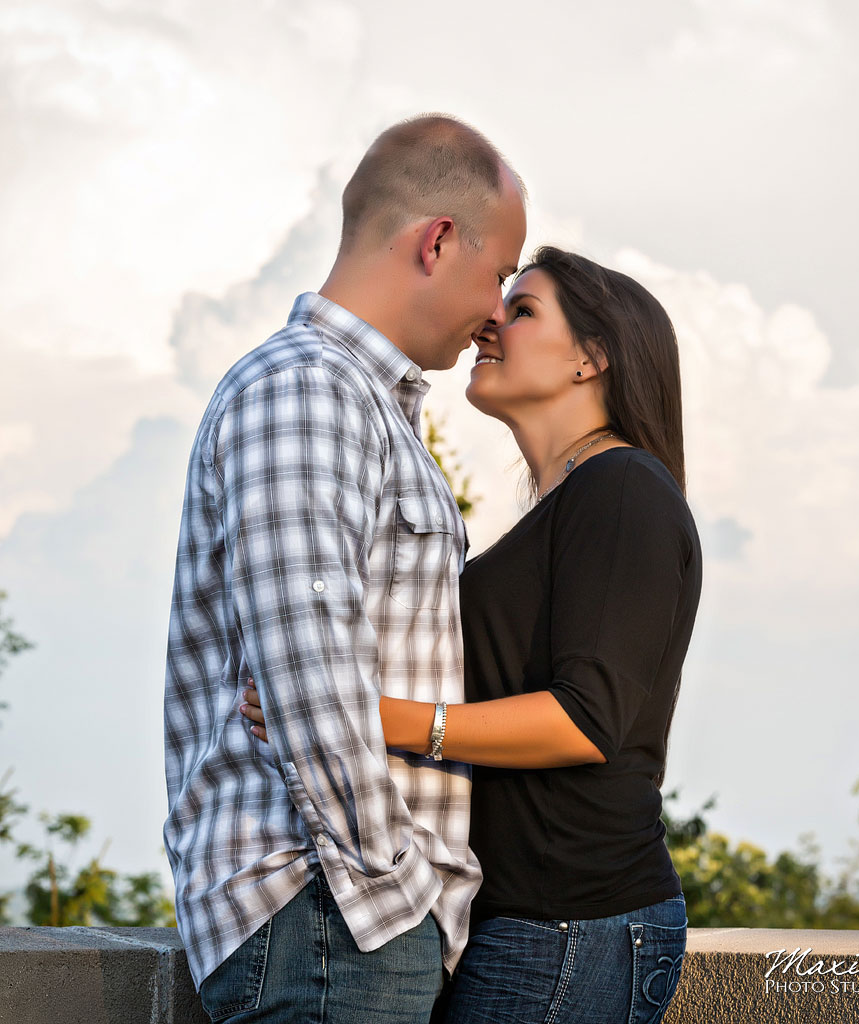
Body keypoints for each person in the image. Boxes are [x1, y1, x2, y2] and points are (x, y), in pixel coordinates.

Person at [242, 245, 703, 1024]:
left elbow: (584, 719)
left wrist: (372, 720)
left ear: (591, 358)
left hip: (572, 925)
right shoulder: (570, 505)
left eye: (523, 311)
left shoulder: (623, 491)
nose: (491, 320)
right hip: (530, 922)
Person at [163, 113, 527, 1024]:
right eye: (499, 276)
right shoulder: (305, 389)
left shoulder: (362, 403)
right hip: (329, 922)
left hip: (342, 926)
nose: (495, 309)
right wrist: (394, 893)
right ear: (437, 241)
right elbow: (309, 671)